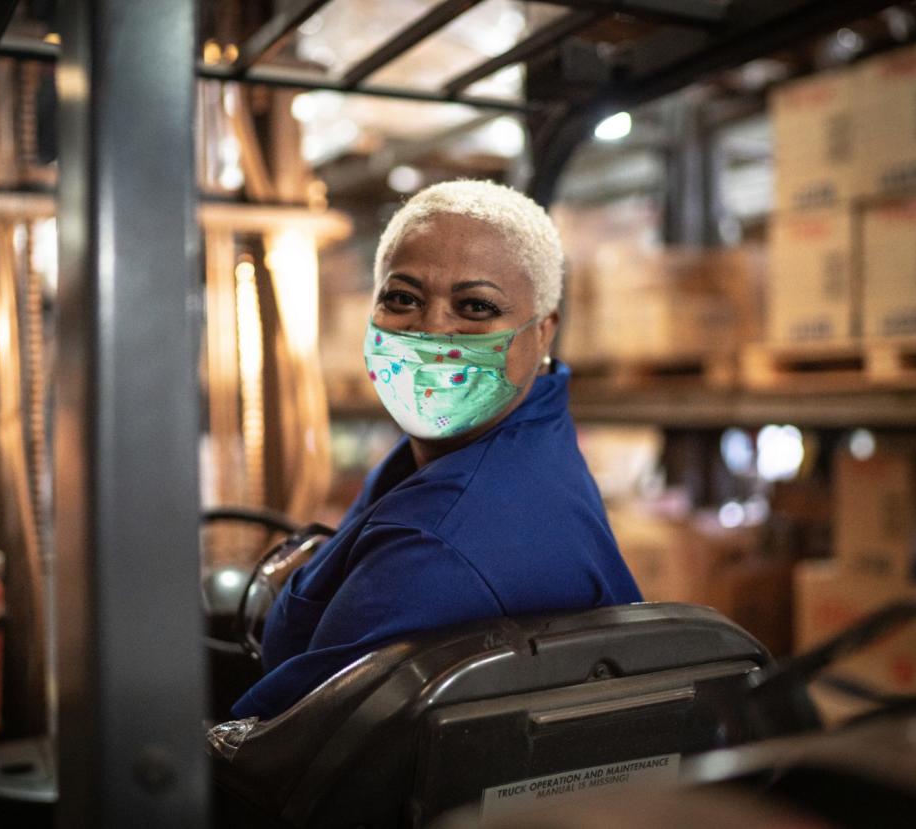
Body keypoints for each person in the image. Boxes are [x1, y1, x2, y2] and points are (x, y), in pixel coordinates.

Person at [231, 180, 641, 721]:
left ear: (543, 334)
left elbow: (274, 748)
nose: (431, 331)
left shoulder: (441, 543)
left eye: (475, 306)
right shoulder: (482, 445)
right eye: (402, 298)